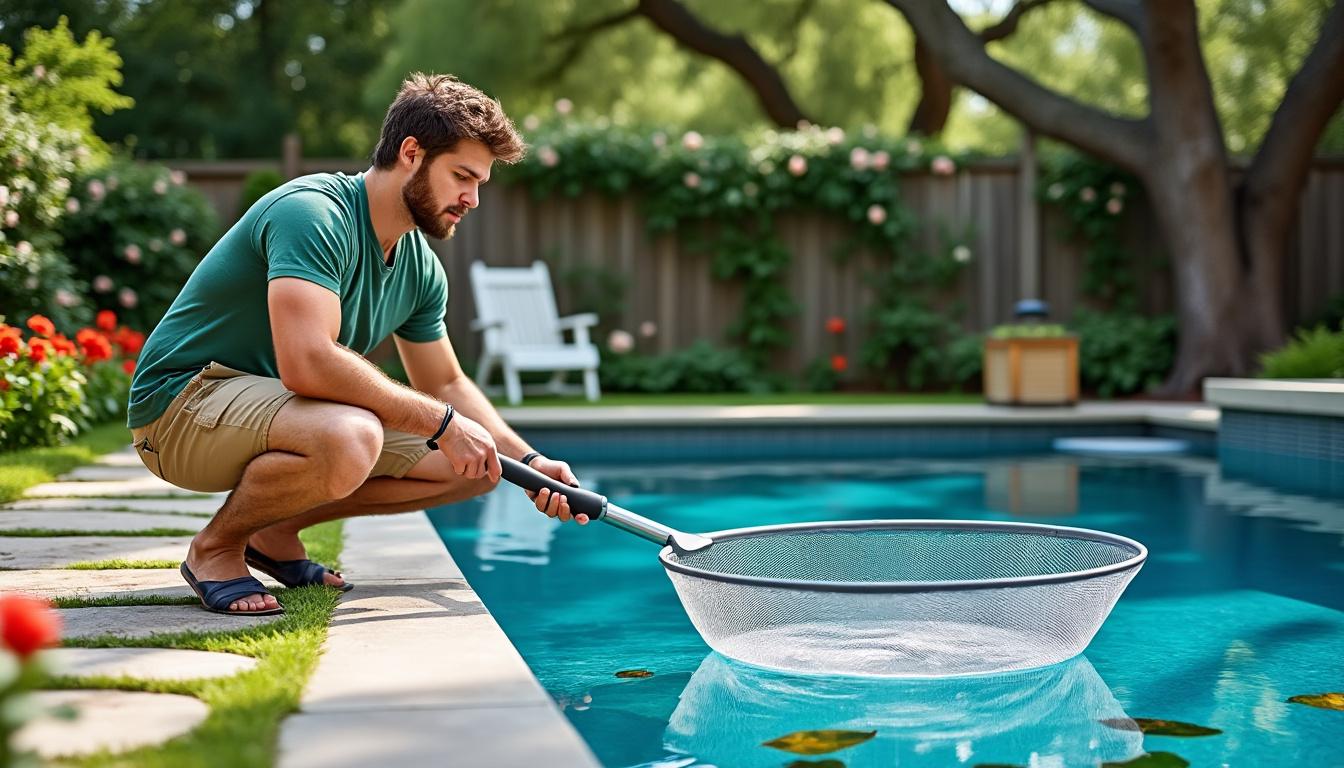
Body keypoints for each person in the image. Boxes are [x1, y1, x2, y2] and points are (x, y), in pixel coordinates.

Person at [127, 73, 583, 616]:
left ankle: (273, 533)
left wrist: (527, 463)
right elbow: (308, 361)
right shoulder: (313, 214)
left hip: (268, 411)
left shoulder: (419, 267)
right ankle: (215, 548)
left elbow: (445, 382)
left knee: (476, 467)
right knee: (351, 436)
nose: (473, 198)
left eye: (480, 183)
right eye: (463, 176)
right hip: (180, 407)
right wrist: (441, 424)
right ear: (412, 153)